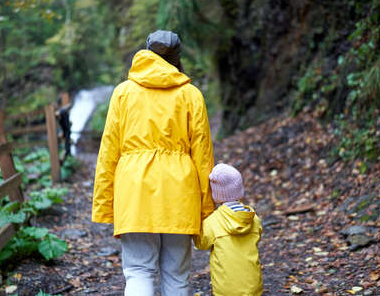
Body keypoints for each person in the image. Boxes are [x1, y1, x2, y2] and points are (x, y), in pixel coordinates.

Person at [92, 30, 215, 296]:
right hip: (180, 195)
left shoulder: (123, 93)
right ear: (177, 58)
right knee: (177, 276)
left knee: (138, 272)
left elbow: (108, 152)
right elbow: (203, 157)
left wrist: (105, 203)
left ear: (146, 52)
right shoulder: (191, 95)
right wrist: (207, 208)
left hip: (134, 193)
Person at [194, 163, 263, 296]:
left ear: (216, 193)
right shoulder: (253, 218)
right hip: (253, 288)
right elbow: (257, 237)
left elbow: (201, 244)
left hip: (225, 290)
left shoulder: (213, 221)